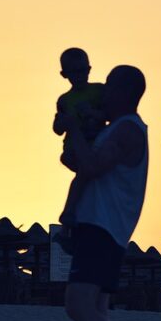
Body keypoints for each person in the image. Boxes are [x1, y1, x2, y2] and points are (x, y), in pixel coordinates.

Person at [55, 64, 149, 321]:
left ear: (123, 92)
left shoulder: (127, 130)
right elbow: (85, 167)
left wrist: (74, 128)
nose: (102, 92)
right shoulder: (116, 129)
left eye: (108, 86)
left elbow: (94, 167)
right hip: (99, 225)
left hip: (104, 227)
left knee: (77, 305)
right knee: (96, 309)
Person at [53, 48, 106, 247]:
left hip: (96, 145)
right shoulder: (65, 100)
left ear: (89, 69)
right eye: (74, 72)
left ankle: (70, 221)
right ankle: (68, 218)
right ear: (64, 75)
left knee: (85, 179)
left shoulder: (99, 91)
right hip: (75, 148)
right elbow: (57, 128)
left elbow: (107, 115)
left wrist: (92, 113)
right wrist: (62, 122)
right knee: (84, 174)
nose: (79, 76)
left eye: (82, 71)